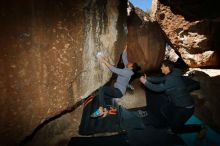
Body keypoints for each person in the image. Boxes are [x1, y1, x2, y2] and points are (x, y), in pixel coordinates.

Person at [139, 60, 206, 137]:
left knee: (176, 129)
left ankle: (200, 127)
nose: (161, 68)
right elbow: (160, 79)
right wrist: (148, 78)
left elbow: (158, 88)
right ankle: (173, 123)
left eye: (162, 66)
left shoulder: (172, 79)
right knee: (165, 109)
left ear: (167, 67)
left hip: (185, 108)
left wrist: (145, 82)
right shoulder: (171, 74)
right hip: (176, 104)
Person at [91, 46, 141, 118]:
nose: (129, 62)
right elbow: (124, 57)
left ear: (131, 67)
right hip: (117, 90)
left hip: (118, 91)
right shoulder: (128, 68)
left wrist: (104, 61)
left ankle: (103, 109)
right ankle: (107, 110)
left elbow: (114, 69)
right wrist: (126, 47)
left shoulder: (127, 72)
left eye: (131, 63)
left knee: (102, 89)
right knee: (101, 96)